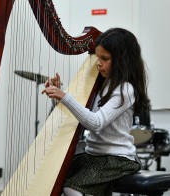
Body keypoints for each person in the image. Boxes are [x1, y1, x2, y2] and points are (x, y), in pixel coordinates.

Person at [42, 28, 150, 196]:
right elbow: (78, 114)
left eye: (104, 58)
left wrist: (64, 97)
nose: (98, 63)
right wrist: (57, 94)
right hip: (93, 155)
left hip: (117, 159)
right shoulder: (102, 84)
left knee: (72, 189)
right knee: (54, 175)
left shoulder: (125, 89)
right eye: (97, 58)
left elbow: (95, 123)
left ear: (122, 60)